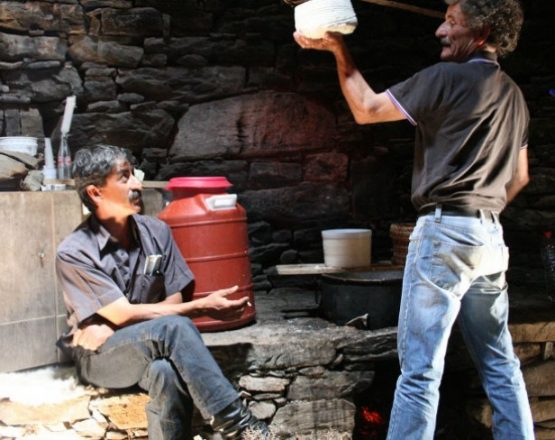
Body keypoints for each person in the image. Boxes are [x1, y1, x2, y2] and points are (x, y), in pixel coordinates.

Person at [294, 0, 534, 438]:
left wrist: (336, 50)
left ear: (479, 34)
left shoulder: (446, 78)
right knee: (500, 363)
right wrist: (482, 210)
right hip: (490, 238)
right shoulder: (515, 95)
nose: (440, 31)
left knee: (420, 370)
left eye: (452, 23)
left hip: (446, 233)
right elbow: (519, 177)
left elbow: (366, 108)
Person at [56, 144, 269, 440]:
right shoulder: (74, 252)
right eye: (125, 177)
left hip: (149, 345)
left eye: (135, 175)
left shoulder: (157, 231)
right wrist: (198, 308)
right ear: (95, 193)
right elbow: (130, 313)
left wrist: (119, 322)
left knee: (165, 373)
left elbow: (172, 300)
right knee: (173, 326)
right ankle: (241, 427)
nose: (137, 185)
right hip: (100, 358)